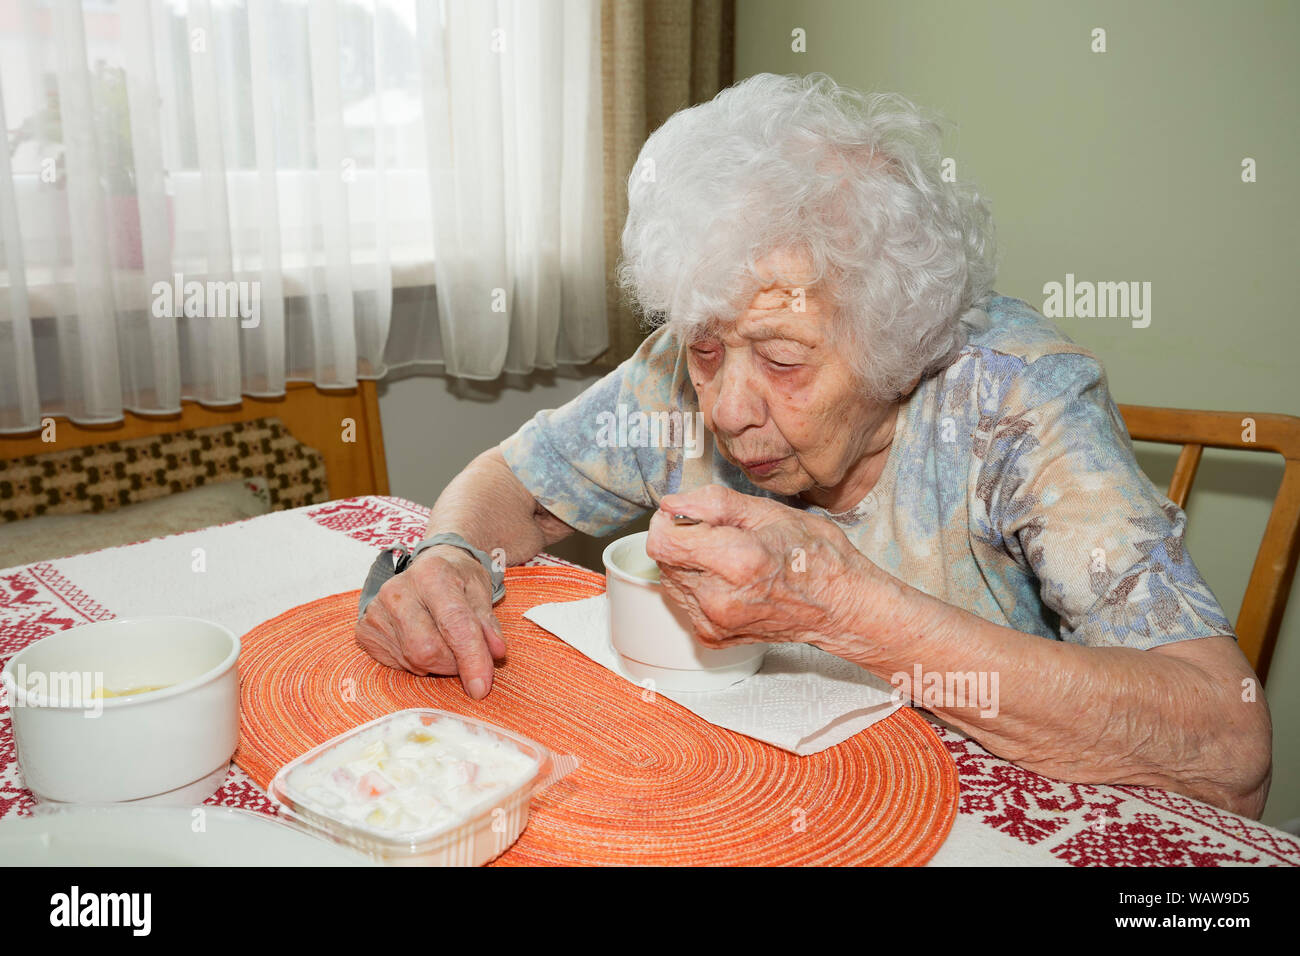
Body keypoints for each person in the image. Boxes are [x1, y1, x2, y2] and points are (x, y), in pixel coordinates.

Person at [356, 73, 1271, 818]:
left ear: (896, 343)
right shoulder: (689, 366)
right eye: (706, 349)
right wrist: (450, 554)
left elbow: (1230, 747)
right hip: (763, 796)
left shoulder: (1014, 400)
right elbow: (511, 482)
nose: (726, 407)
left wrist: (837, 604)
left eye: (785, 360)